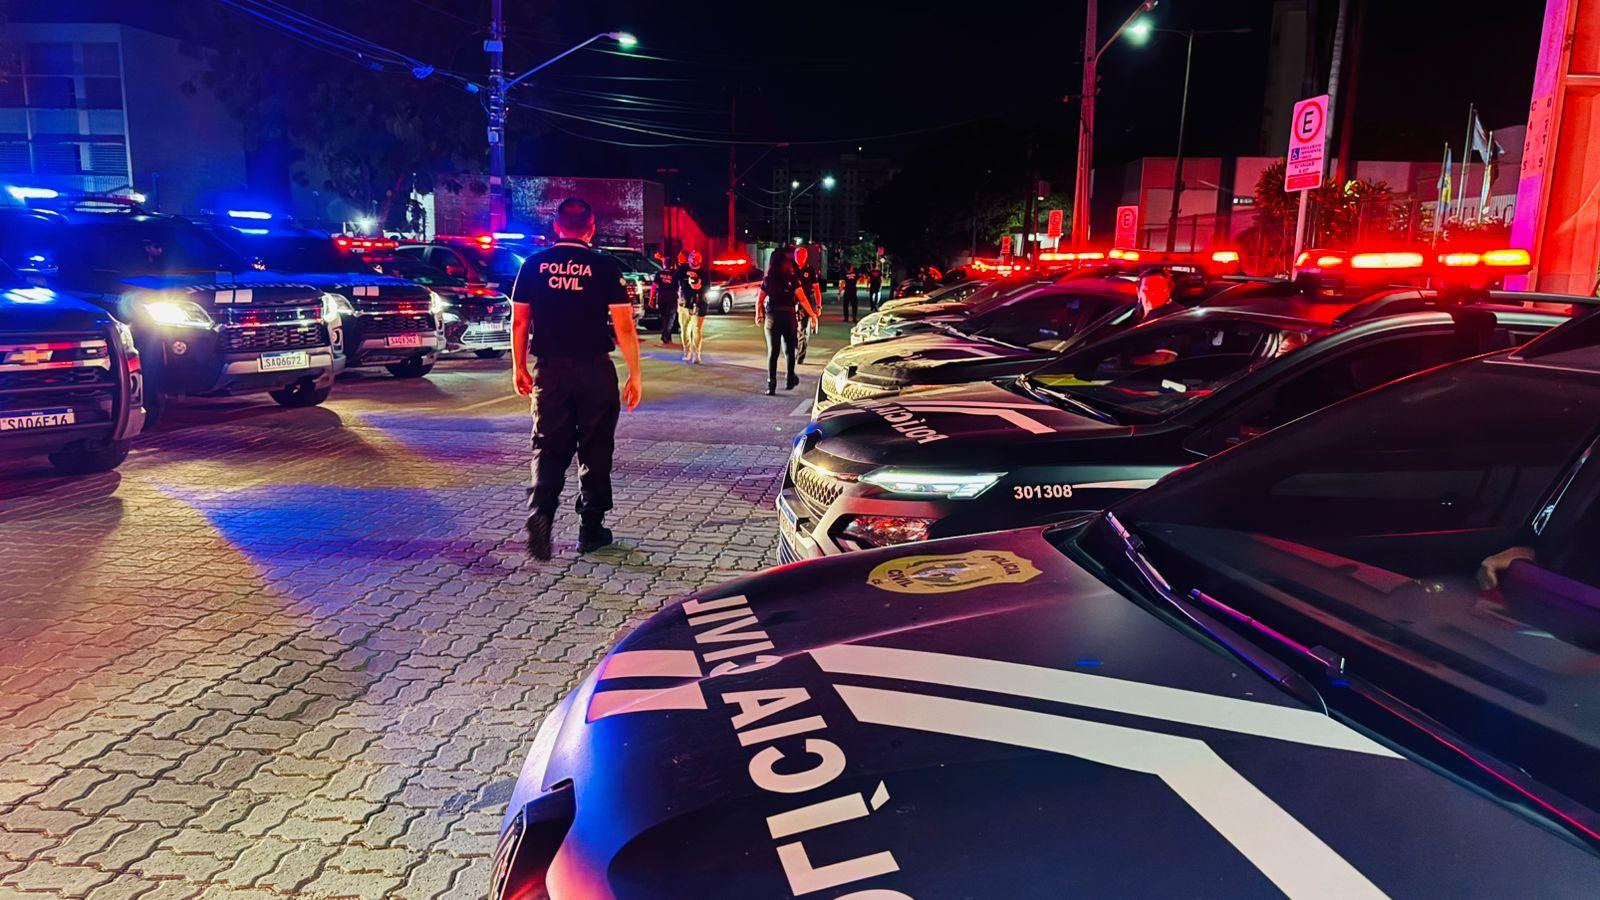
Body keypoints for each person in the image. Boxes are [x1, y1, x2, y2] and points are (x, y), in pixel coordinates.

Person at [511, 197, 644, 560]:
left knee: (548, 447)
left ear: (556, 227)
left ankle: (541, 514)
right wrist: (635, 374)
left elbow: (521, 321)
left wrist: (518, 366)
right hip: (595, 371)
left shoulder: (534, 266)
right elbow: (624, 327)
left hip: (550, 371)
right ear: (591, 228)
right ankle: (591, 528)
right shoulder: (604, 266)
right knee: (595, 448)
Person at [755, 246, 816, 395]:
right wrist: (812, 314)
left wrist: (758, 314)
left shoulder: (768, 279)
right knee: (789, 350)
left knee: (773, 352)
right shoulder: (792, 278)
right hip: (788, 317)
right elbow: (802, 298)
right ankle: (789, 378)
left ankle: (771, 385)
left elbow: (760, 299)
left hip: (772, 317)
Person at [793, 245, 823, 364]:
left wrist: (819, 306)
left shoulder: (810, 270)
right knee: (792, 329)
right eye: (797, 256)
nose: (800, 258)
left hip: (805, 303)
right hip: (791, 301)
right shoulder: (791, 268)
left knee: (803, 329)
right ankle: (794, 349)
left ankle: (800, 356)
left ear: (806, 257)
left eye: (802, 256)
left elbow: (816, 290)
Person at [680, 250, 709, 363]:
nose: (695, 260)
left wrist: (699, 286)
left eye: (697, 258)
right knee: (685, 328)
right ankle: (687, 351)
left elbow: (707, 286)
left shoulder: (704, 272)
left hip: (700, 303)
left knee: (697, 329)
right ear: (689, 259)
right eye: (693, 258)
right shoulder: (683, 269)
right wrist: (687, 274)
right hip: (685, 303)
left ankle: (696, 353)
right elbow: (675, 278)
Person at [653, 252, 682, 345]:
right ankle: (665, 335)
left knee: (664, 317)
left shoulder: (659, 273)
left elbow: (654, 287)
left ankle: (667, 337)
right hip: (672, 298)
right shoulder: (675, 274)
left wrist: (651, 299)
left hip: (661, 298)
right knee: (670, 318)